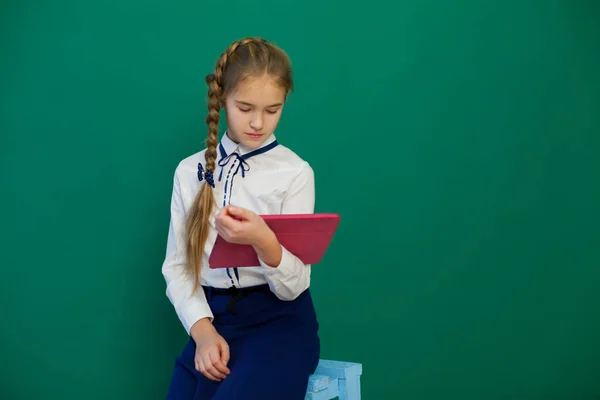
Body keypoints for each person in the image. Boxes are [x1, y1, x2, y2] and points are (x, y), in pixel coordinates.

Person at [161, 37, 320, 399]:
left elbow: (294, 285)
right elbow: (177, 267)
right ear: (222, 99)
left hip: (277, 325)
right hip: (213, 320)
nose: (258, 122)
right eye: (245, 107)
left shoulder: (295, 173)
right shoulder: (190, 171)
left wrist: (263, 239)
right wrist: (202, 333)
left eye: (272, 109)